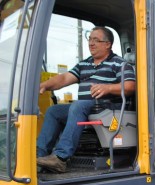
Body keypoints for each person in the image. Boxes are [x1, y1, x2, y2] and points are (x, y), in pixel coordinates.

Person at [36, 26, 136, 173]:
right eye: (90, 39)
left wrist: (108, 88)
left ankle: (60, 158)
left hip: (107, 108)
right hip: (84, 107)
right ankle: (39, 156)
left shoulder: (119, 64)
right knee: (54, 111)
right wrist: (43, 85)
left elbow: (130, 86)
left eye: (96, 40)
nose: (91, 43)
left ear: (107, 44)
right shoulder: (84, 64)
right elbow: (64, 78)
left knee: (78, 105)